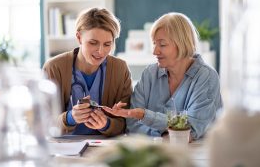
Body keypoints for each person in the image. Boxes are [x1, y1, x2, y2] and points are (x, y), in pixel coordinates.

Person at [103, 12, 222, 140]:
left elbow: (192, 128)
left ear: (182, 44)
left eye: (162, 44)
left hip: (197, 154)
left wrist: (145, 116)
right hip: (153, 151)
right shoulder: (149, 74)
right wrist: (162, 137)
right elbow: (132, 124)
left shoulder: (206, 77)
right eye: (154, 43)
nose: (155, 51)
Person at [43, 8, 132, 137]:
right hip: (64, 147)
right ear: (79, 38)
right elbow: (43, 122)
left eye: (107, 44)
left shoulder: (120, 69)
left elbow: (127, 122)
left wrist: (106, 124)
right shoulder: (54, 68)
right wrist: (69, 118)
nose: (100, 51)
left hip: (104, 147)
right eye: (93, 43)